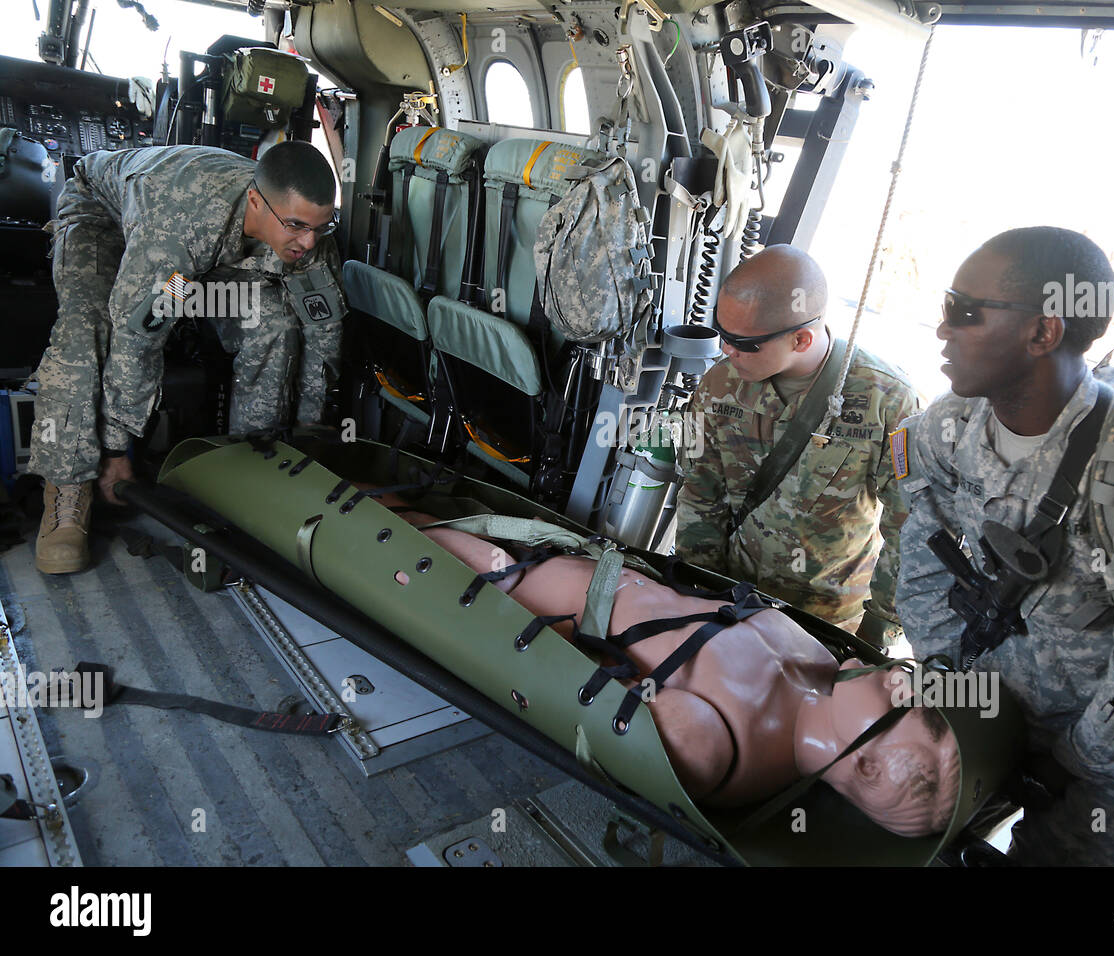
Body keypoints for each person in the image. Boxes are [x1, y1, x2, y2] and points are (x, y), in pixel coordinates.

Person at [894, 226, 1114, 865]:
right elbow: (925, 542)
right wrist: (947, 681)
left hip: (1105, 750)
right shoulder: (949, 425)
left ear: (1044, 332)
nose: (943, 329)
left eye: (964, 310)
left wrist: (1080, 762)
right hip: (979, 697)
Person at [378, 492, 962, 837]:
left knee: (393, 518)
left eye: (909, 708)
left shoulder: (710, 748)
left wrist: (502, 584)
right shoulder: (822, 665)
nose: (899, 679)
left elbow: (557, 679)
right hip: (575, 554)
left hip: (516, 582)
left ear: (863, 770)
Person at [31, 140, 346, 575]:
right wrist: (116, 449)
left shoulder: (308, 231)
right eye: (296, 227)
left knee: (274, 323)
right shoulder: (182, 223)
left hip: (202, 257)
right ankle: (66, 488)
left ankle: (250, 466)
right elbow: (137, 334)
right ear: (257, 201)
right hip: (105, 222)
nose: (308, 242)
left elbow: (323, 328)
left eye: (320, 227)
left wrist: (312, 427)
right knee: (84, 333)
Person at [674, 245, 920, 642]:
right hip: (734, 602)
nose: (725, 350)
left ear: (802, 339)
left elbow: (908, 529)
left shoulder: (885, 399)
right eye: (721, 334)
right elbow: (701, 493)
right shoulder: (720, 386)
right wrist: (693, 591)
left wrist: (878, 633)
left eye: (743, 343)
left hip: (828, 623)